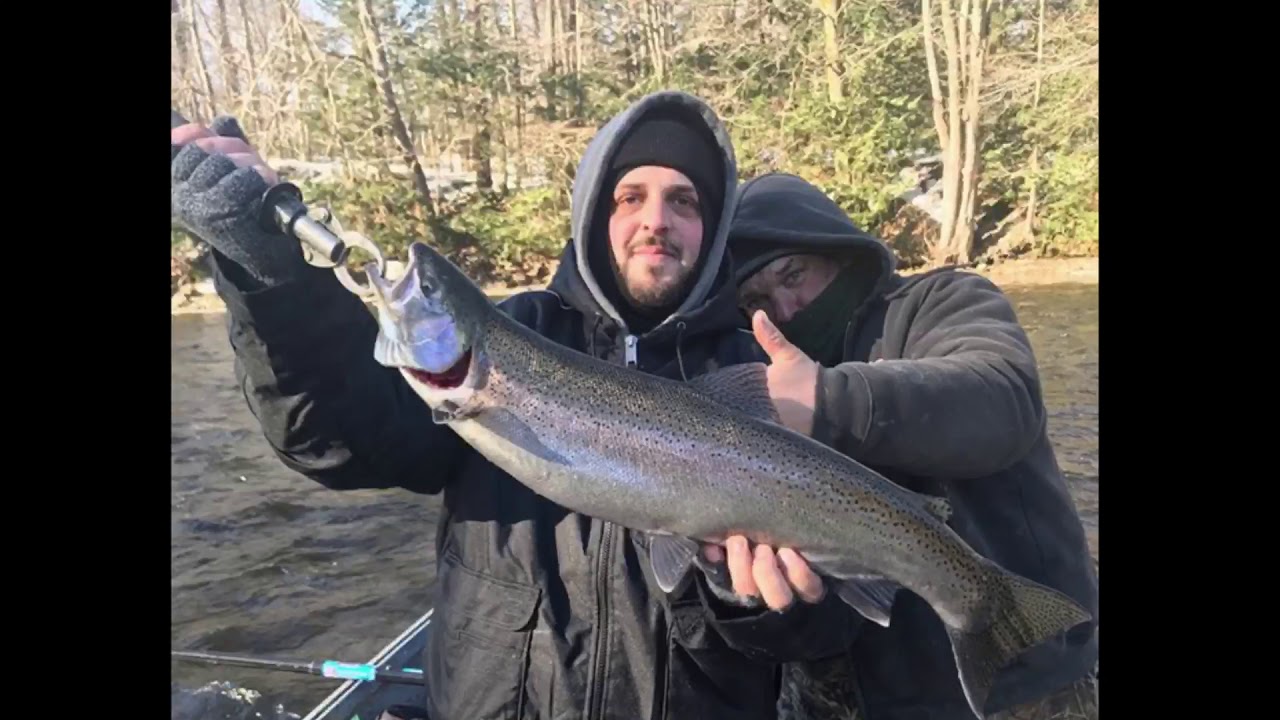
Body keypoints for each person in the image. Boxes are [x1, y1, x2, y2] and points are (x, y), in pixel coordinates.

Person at [169, 92, 865, 720]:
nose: (657, 220)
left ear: (710, 232)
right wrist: (273, 277)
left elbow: (825, 634)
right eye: (631, 197)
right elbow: (334, 436)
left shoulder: (762, 376)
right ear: (596, 215)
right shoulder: (517, 332)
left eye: (684, 201)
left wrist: (756, 606)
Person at [726, 172, 1099, 720]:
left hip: (1023, 688)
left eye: (794, 275)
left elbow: (1003, 399)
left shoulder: (943, 301)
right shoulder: (752, 381)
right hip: (846, 698)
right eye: (757, 299)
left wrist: (827, 401)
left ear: (839, 255)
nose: (784, 307)